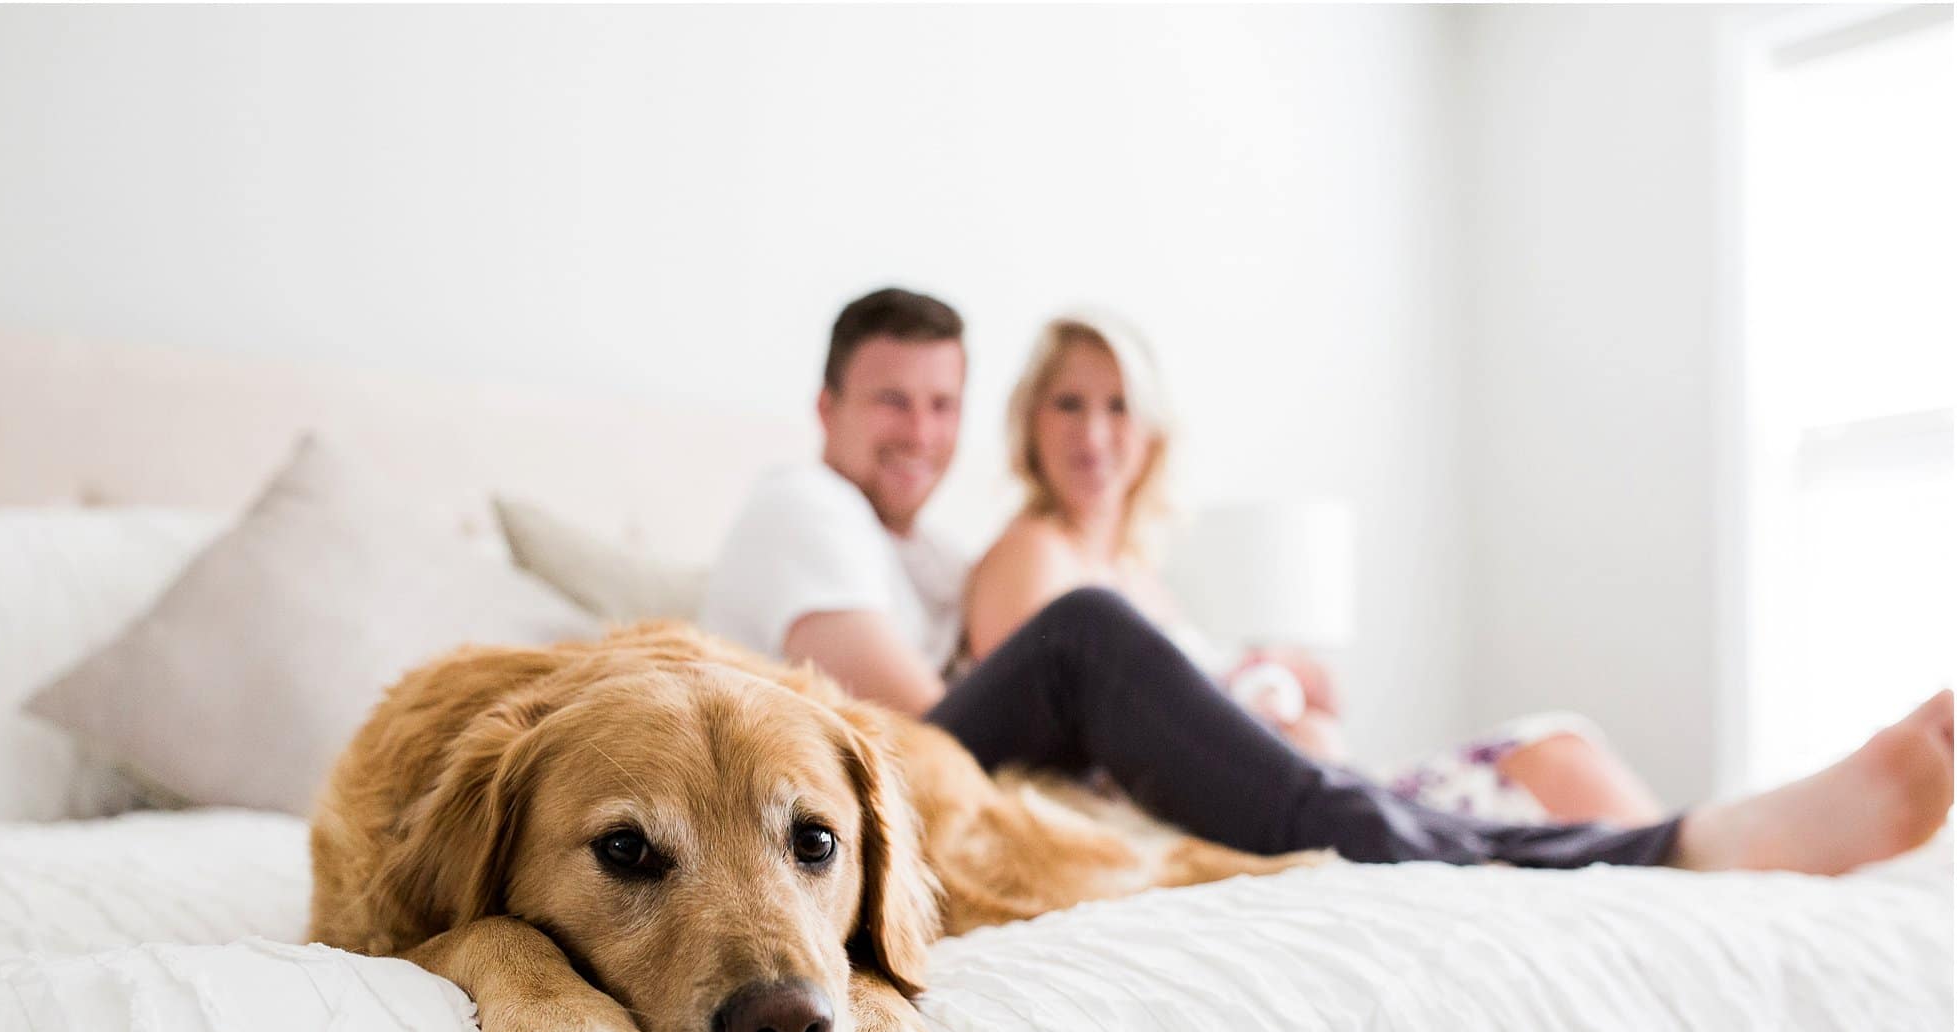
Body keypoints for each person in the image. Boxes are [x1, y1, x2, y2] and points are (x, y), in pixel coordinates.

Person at [701, 286, 1953, 874]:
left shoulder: (922, 547)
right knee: (1088, 632)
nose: (919, 432)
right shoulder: (801, 504)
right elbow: (906, 734)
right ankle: (1665, 851)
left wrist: (1248, 696)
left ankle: (1667, 849)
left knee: (1502, 755)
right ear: (824, 407)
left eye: (938, 406)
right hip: (888, 795)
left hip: (985, 762)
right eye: (888, 404)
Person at [963, 312, 1665, 827]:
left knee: (1560, 751)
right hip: (1260, 811)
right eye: (1068, 405)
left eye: (1118, 406)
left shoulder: (1137, 573)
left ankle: (1704, 899)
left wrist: (1266, 686)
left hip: (1298, 786)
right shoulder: (1036, 555)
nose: (1093, 434)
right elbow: (1055, 762)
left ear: (1150, 431)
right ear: (1031, 421)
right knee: (1552, 762)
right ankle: (1692, 879)